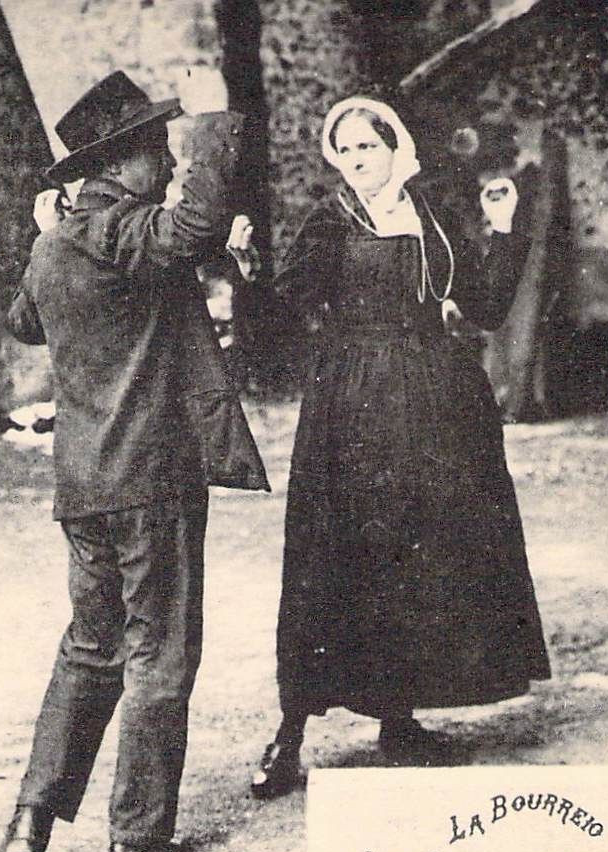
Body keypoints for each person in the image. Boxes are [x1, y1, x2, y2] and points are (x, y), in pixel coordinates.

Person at [226, 96, 551, 799]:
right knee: (332, 558)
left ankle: (398, 720)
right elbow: (282, 312)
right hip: (351, 406)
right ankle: (289, 734)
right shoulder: (328, 220)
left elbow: (488, 306)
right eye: (342, 152)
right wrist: (244, 268)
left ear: (392, 145)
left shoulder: (432, 214)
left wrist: (501, 227)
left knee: (415, 556)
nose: (355, 162)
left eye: (365, 148)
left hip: (435, 405)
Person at [0, 69, 266, 852]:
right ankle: (137, 840)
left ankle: (29, 825)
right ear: (122, 165)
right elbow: (183, 227)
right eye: (157, 151)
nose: (166, 165)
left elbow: (23, 320)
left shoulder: (58, 241)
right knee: (158, 650)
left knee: (89, 647)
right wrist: (212, 123)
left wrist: (46, 227)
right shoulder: (122, 228)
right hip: (150, 478)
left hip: (83, 486)